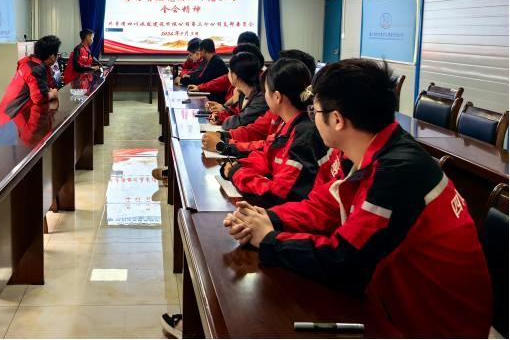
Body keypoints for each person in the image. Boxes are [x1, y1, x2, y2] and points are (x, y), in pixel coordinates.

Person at [224, 59, 492, 339]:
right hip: (392, 306)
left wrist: (269, 239)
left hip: (433, 327)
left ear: (337, 120)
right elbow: (326, 207)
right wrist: (268, 218)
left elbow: (345, 262)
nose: (312, 118)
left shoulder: (398, 171)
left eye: (315, 111)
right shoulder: (375, 147)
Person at [219, 59, 341, 207]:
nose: (264, 96)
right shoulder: (288, 123)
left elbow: (277, 196)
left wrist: (237, 174)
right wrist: (240, 165)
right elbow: (268, 154)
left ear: (277, 97)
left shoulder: (303, 136)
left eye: (266, 91)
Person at [202, 49, 316, 157]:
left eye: (267, 89)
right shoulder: (277, 112)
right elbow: (256, 131)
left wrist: (223, 146)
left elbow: (268, 149)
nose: (265, 93)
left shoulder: (301, 130)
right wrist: (223, 135)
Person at [0, 35, 61, 124]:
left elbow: (48, 85)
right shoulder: (35, 69)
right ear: (52, 56)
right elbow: (39, 98)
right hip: (11, 120)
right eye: (57, 53)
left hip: (10, 116)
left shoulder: (34, 63)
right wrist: (53, 94)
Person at [207, 51, 268, 131]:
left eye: (230, 71)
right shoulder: (243, 93)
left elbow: (240, 121)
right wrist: (219, 117)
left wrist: (224, 121)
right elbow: (234, 112)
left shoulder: (260, 98)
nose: (228, 75)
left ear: (235, 76)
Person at [193, 43, 265, 106]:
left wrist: (224, 109)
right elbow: (220, 81)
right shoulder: (242, 86)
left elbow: (240, 114)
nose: (230, 73)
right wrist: (199, 87)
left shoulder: (259, 89)